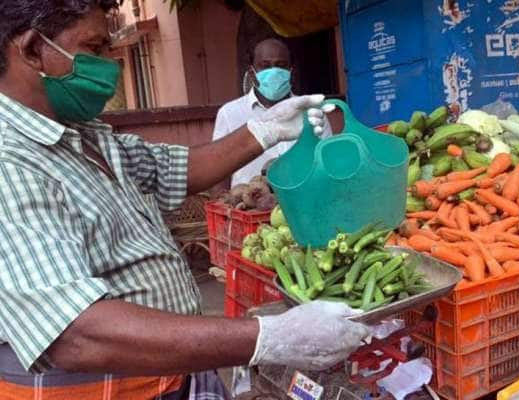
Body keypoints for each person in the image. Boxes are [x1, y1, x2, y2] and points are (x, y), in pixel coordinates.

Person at [0, 1, 368, 399]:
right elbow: (76, 334)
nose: (111, 65)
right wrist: (272, 336)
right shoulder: (11, 161)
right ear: (33, 48)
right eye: (95, 48)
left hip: (172, 376)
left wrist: (266, 130)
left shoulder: (84, 135)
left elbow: (175, 168)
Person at [212, 38, 327, 192]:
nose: (273, 72)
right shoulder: (230, 113)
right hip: (248, 209)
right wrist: (225, 208)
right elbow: (219, 172)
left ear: (291, 71)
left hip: (303, 205)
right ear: (252, 73)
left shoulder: (311, 111)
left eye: (281, 66)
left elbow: (326, 161)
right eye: (265, 66)